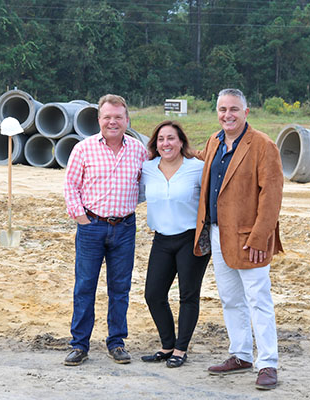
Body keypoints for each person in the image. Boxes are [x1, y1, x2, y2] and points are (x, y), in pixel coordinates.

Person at [193, 88, 283, 390]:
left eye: (233, 109)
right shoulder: (215, 141)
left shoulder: (262, 146)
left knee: (258, 299)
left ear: (246, 112)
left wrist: (260, 238)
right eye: (222, 109)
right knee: (231, 299)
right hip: (217, 233)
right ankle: (241, 354)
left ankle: (267, 363)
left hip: (249, 237)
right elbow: (200, 162)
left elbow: (271, 196)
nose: (227, 115)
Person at [63, 94, 148, 366]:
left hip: (124, 227)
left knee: (120, 287)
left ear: (127, 119)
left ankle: (116, 342)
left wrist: (126, 208)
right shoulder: (83, 149)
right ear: (99, 119)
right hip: (92, 226)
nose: (113, 122)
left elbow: (144, 186)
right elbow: (71, 187)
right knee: (85, 286)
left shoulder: (138, 150)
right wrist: (81, 218)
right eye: (107, 117)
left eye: (118, 117)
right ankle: (79, 345)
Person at [138, 121, 211, 368]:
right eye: (160, 139)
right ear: (155, 144)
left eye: (171, 138)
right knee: (153, 294)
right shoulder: (147, 168)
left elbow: (213, 199)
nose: (165, 143)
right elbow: (133, 194)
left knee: (188, 295)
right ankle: (166, 345)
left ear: (181, 142)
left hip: (190, 239)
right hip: (161, 239)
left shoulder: (197, 168)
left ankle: (180, 349)